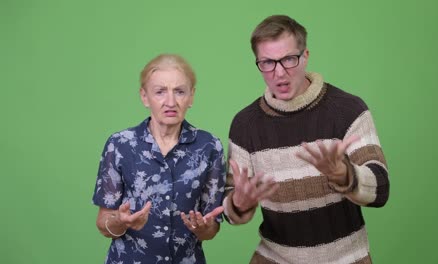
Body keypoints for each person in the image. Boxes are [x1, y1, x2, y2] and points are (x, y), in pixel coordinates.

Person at [223, 15, 390, 264]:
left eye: (289, 59)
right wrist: (238, 202)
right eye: (267, 62)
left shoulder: (348, 110)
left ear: (306, 56)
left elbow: (380, 190)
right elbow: (230, 210)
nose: (279, 72)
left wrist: (344, 174)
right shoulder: (245, 126)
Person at [92, 54, 226, 264]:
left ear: (191, 96)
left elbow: (211, 229)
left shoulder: (209, 146)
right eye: (160, 92)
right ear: (145, 97)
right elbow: (103, 224)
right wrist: (121, 221)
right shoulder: (120, 145)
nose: (170, 102)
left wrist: (203, 228)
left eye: (180, 91)